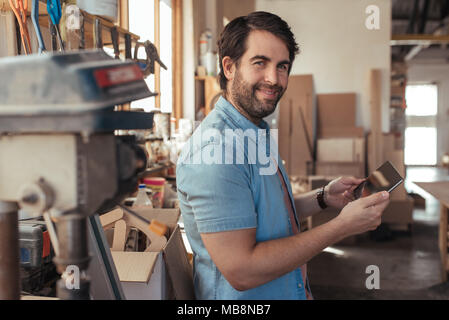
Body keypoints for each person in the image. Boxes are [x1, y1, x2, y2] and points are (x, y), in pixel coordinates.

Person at [176, 11, 390, 300]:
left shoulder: (255, 130)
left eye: (282, 66)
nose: (274, 79)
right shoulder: (216, 152)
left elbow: (267, 214)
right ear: (229, 67)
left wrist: (323, 198)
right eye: (260, 63)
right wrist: (341, 227)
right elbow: (243, 270)